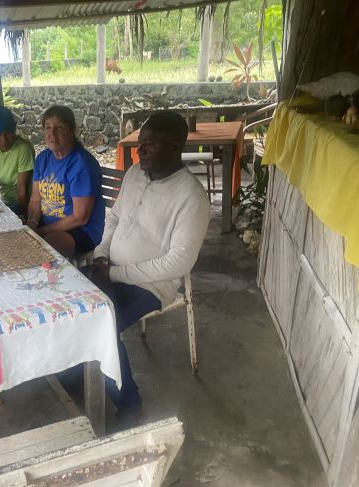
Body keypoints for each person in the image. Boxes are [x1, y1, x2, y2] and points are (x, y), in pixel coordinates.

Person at [90, 111, 210, 414]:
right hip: (111, 267)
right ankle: (81, 377)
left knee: (98, 324)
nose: (139, 151)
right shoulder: (134, 174)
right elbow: (115, 216)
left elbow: (179, 262)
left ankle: (129, 404)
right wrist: (102, 253)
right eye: (139, 144)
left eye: (148, 145)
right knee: (67, 303)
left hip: (149, 286)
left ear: (175, 144)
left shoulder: (191, 197)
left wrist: (115, 273)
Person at [27, 105, 105, 257]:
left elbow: (80, 217)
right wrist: (32, 224)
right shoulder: (43, 159)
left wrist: (41, 232)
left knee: (42, 250)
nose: (52, 133)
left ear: (71, 131)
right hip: (48, 226)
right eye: (48, 128)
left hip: (82, 230)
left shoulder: (82, 165)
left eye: (59, 127)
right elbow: (35, 200)